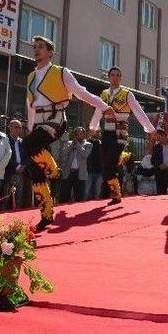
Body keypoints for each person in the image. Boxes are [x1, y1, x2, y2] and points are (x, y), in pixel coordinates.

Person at [24, 36, 113, 231]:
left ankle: (54, 171)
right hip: (38, 122)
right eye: (35, 47)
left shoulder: (61, 72)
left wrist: (104, 106)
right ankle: (46, 214)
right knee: (34, 171)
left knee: (28, 146)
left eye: (41, 47)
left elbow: (81, 93)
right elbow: (30, 105)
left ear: (50, 52)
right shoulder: (31, 76)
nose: (36, 50)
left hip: (55, 120)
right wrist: (30, 127)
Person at [89, 66, 156, 205]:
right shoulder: (104, 93)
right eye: (112, 75)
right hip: (106, 132)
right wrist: (93, 127)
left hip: (120, 133)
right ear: (109, 77)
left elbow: (138, 111)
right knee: (106, 165)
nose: (115, 77)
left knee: (110, 163)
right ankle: (114, 191)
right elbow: (98, 110)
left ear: (121, 78)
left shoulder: (127, 94)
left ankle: (114, 193)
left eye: (118, 75)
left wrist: (150, 128)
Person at [59, 127, 92, 203]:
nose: (79, 135)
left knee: (79, 196)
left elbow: (85, 154)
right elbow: (63, 154)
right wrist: (71, 146)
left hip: (80, 173)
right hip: (68, 172)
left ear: (84, 135)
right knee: (64, 195)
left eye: (81, 133)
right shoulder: (69, 143)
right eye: (77, 133)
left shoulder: (88, 144)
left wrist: (77, 144)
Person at [4, 119, 28, 209]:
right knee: (6, 198)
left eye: (20, 127)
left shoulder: (22, 141)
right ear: (9, 128)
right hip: (9, 172)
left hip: (20, 173)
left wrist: (23, 166)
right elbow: (6, 156)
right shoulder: (5, 140)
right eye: (15, 127)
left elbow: (26, 156)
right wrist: (17, 166)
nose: (18, 129)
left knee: (18, 197)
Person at [85, 129, 103, 200]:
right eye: (97, 132)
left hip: (99, 172)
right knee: (86, 194)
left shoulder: (101, 144)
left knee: (97, 195)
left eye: (99, 132)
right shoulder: (86, 143)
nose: (98, 133)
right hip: (88, 172)